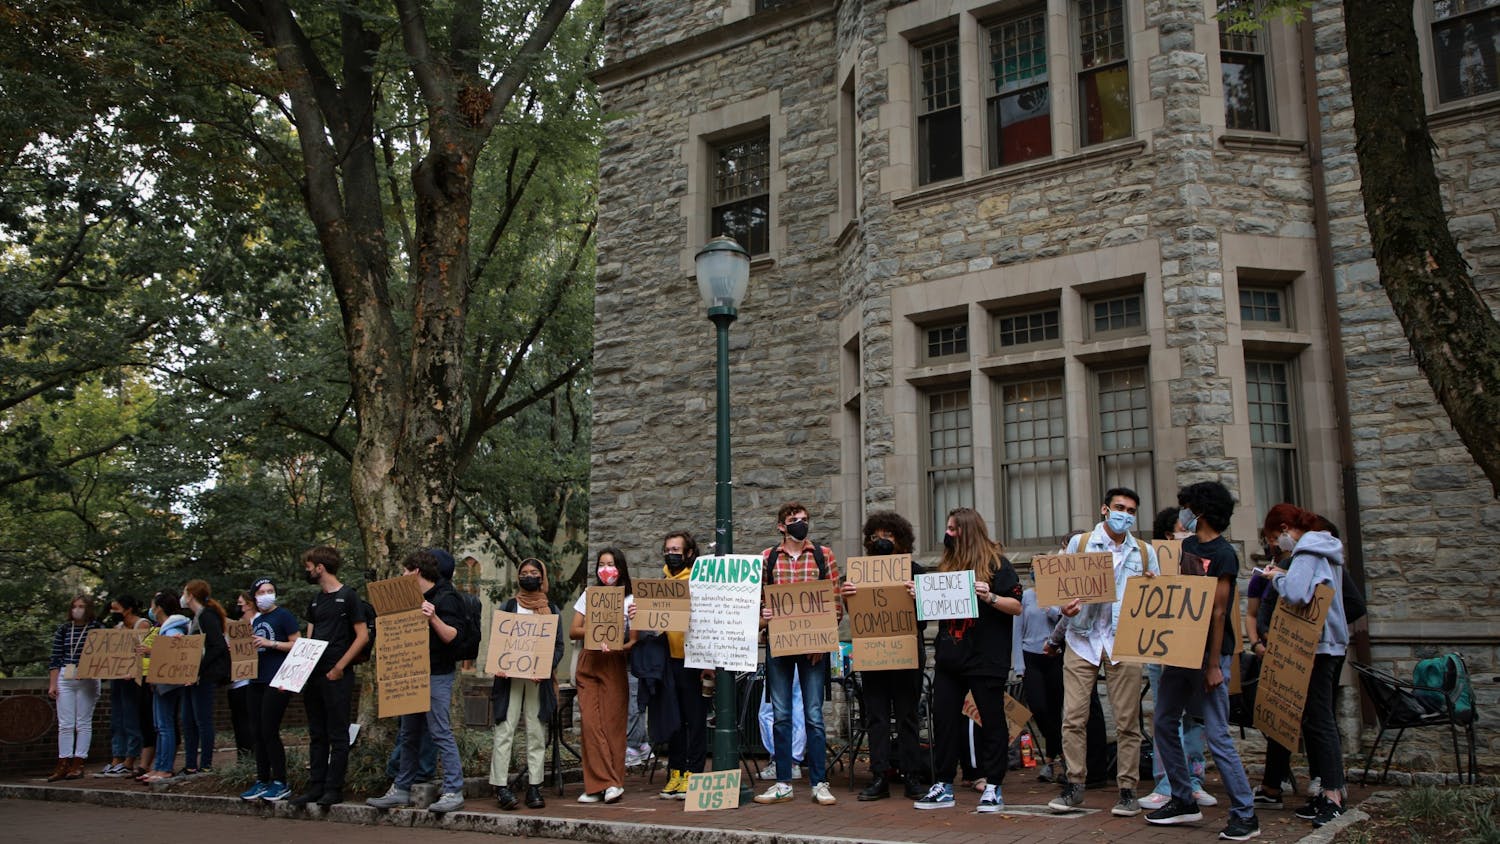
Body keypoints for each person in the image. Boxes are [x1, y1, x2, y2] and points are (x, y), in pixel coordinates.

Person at [1144, 482, 1259, 841]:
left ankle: (1245, 813)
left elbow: (1218, 612)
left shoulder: (1224, 554)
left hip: (1211, 653)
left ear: (1201, 512)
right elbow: (1177, 594)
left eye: (1187, 508)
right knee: (1163, 721)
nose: (1183, 515)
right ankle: (1182, 797)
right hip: (1180, 651)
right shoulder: (1185, 547)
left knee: (1217, 733)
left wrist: (1213, 666)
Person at [1047, 488, 1159, 817]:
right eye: (1120, 508)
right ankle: (1075, 784)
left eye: (1131, 510)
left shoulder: (1144, 551)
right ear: (1105, 509)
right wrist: (1062, 610)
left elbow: (1155, 599)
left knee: (1127, 720)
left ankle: (1127, 790)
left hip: (1123, 641)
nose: (1125, 514)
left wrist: (1153, 584)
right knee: (1073, 717)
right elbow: (1059, 591)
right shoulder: (1080, 544)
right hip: (1083, 639)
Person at [910, 507, 1021, 813]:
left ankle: (994, 785)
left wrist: (990, 597)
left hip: (986, 657)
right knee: (943, 718)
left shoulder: (998, 565)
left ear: (966, 531)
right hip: (951, 656)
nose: (947, 534)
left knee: (991, 719)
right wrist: (921, 595)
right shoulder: (948, 565)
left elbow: (1016, 606)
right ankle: (943, 783)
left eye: (952, 529)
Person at [1257, 504, 1349, 828]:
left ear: (1284, 528)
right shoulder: (1324, 548)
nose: (1277, 545)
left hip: (1318, 646)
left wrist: (1276, 579)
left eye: (1274, 538)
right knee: (1317, 719)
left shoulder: (1307, 550)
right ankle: (1330, 790)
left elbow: (1296, 593)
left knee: (1319, 720)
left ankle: (1333, 795)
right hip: (1329, 643)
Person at [368, 550, 471, 814]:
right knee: (408, 733)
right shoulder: (408, 599)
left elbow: (453, 637)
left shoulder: (447, 598)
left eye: (405, 571)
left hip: (436, 674)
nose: (402, 576)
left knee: (439, 731)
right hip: (409, 672)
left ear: (416, 571)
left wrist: (432, 617)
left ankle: (453, 790)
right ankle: (401, 788)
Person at [754, 503, 841, 807]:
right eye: (794, 520)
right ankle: (783, 783)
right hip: (779, 644)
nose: (800, 524)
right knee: (780, 716)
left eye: (804, 520)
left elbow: (835, 599)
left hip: (813, 648)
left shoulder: (822, 555)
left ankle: (819, 782)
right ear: (781, 526)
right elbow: (757, 603)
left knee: (814, 715)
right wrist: (763, 617)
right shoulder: (767, 559)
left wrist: (823, 638)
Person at [842, 510, 926, 801]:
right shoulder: (860, 573)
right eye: (876, 537)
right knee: (876, 717)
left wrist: (920, 598)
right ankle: (879, 777)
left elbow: (926, 620)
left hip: (906, 653)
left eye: (887, 536)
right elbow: (858, 616)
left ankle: (912, 776)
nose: (882, 541)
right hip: (874, 652)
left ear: (900, 539)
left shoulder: (915, 572)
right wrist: (847, 596)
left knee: (907, 716)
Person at [1140, 507, 1213, 811]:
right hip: (1161, 650)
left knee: (1194, 718)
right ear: (1169, 535)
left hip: (1192, 647)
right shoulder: (1153, 559)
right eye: (1184, 528)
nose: (1190, 531)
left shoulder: (1202, 560)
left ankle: (1194, 781)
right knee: (1167, 716)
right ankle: (1167, 782)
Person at [289, 546, 369, 808]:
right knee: (317, 733)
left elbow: (362, 636)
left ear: (320, 567)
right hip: (314, 675)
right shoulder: (315, 601)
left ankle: (334, 788)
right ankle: (316, 786)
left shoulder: (349, 597)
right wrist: (295, 674)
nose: (307, 570)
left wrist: (340, 667)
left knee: (338, 733)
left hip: (337, 675)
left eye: (309, 566)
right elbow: (309, 640)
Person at [490, 557, 564, 811]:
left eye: (534, 572)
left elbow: (558, 646)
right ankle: (501, 787)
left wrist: (544, 667)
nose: (529, 576)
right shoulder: (508, 606)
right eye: (524, 572)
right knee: (504, 731)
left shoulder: (551, 609)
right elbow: (497, 641)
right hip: (508, 679)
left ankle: (535, 786)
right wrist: (499, 662)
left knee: (536, 731)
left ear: (542, 577)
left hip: (537, 680)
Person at [569, 547, 639, 804]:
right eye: (601, 564)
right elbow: (573, 630)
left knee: (612, 725)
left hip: (614, 662)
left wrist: (629, 624)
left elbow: (633, 641)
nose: (605, 568)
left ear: (620, 568)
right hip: (589, 660)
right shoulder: (590, 595)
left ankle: (613, 783)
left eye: (610, 563)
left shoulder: (630, 600)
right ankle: (597, 784)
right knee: (590, 724)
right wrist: (598, 626)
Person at [652, 530, 710, 800]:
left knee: (695, 719)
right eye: (668, 549)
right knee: (673, 719)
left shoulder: (698, 581)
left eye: (677, 550)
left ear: (689, 553)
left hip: (694, 661)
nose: (671, 554)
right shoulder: (663, 581)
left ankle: (693, 773)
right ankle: (675, 771)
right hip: (669, 662)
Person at [241, 578, 299, 802]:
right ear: (253, 597)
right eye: (262, 591)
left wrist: (271, 644)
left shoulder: (283, 616)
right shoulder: (256, 620)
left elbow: (297, 643)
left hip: (277, 681)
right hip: (255, 681)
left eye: (271, 591)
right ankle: (262, 779)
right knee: (256, 732)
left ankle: (280, 781)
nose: (266, 595)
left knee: (269, 730)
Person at [48, 595, 103, 781]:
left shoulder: (96, 628)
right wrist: (53, 684)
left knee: (83, 723)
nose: (77, 609)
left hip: (88, 678)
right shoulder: (64, 629)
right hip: (66, 675)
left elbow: (104, 655)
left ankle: (79, 763)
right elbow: (55, 657)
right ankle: (63, 762)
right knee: (65, 724)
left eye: (81, 606)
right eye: (75, 606)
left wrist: (89, 670)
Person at [138, 591, 191, 783]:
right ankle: (159, 766)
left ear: (159, 608)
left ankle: (165, 767)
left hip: (167, 683)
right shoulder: (169, 627)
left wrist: (151, 652)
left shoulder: (171, 628)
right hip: (163, 681)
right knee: (160, 725)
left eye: (153, 605)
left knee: (164, 725)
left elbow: (173, 651)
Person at [179, 580, 230, 776]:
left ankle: (206, 764)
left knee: (202, 720)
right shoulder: (197, 617)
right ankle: (191, 764)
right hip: (193, 676)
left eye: (184, 593)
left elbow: (216, 646)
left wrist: (197, 669)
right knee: (189, 720)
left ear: (190, 594)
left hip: (203, 677)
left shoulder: (207, 616)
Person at [99, 595, 151, 777]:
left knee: (131, 717)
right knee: (117, 718)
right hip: (118, 678)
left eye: (116, 609)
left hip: (134, 679)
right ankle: (117, 756)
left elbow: (142, 652)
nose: (113, 613)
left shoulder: (142, 625)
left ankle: (130, 757)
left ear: (128, 609)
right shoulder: (118, 628)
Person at [757, 668, 804, 782]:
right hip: (803, 658)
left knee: (767, 713)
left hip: (781, 656)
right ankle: (794, 763)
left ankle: (779, 760)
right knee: (798, 711)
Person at [227, 591, 257, 762]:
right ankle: (243, 757)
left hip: (251, 680)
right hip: (236, 680)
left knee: (250, 721)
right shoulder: (236, 626)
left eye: (241, 603)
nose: (239, 607)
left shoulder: (258, 622)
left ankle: (254, 756)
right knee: (239, 722)